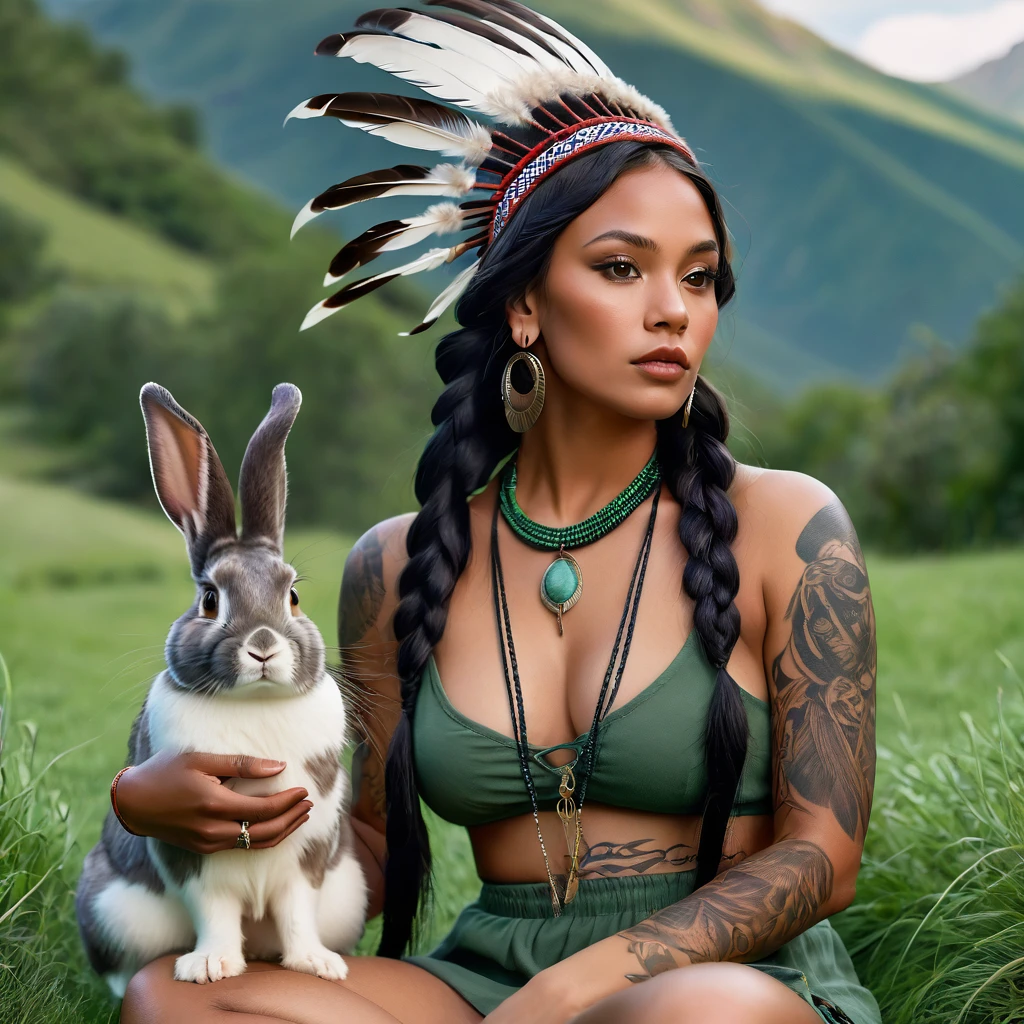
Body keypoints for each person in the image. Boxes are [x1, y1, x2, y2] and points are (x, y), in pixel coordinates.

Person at [114, 2, 881, 1020]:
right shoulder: (394, 565)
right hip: (481, 979)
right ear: (524, 303)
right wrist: (169, 814)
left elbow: (820, 858)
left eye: (699, 277)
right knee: (177, 1000)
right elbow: (366, 858)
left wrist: (578, 985)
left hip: (720, 983)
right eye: (621, 268)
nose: (674, 309)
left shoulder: (787, 524)